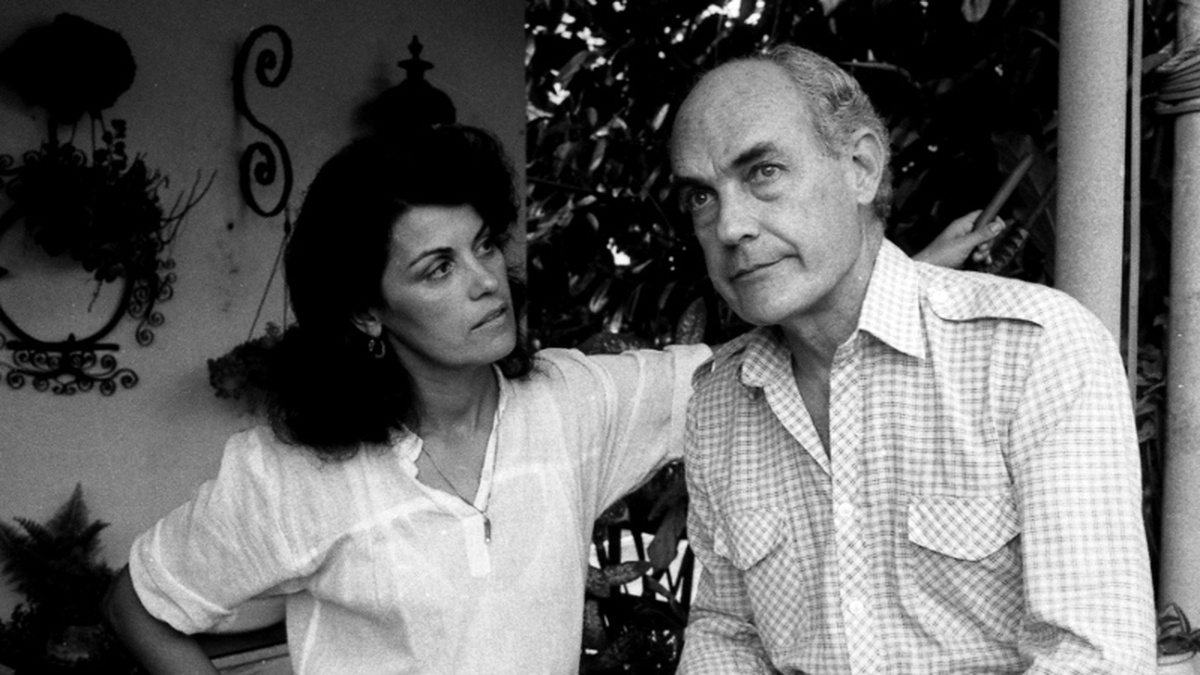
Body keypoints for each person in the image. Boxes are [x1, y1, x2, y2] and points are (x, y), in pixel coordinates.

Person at [103, 124, 712, 673]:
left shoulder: (569, 405)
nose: (486, 281)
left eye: (483, 245)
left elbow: (729, 376)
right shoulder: (294, 477)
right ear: (367, 312)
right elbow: (135, 606)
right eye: (438, 269)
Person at [669, 43, 1154, 674]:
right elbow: (728, 632)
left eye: (764, 172)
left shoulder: (1030, 350)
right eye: (701, 198)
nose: (730, 226)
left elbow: (1095, 655)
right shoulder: (719, 402)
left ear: (861, 167)